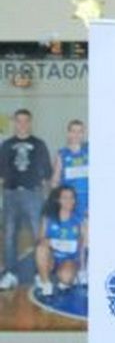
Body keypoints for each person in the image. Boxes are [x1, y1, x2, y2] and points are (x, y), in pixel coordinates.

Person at [1, 109, 54, 291]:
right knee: (9, 236)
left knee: (39, 235)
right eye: (19, 121)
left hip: (33, 195)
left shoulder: (39, 144)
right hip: (11, 195)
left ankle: (40, 274)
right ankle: (11, 274)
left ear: (30, 123)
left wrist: (46, 197)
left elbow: (47, 173)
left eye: (26, 121)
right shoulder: (6, 145)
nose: (22, 124)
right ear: (14, 123)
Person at [33, 184, 84, 297]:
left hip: (69, 259)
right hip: (52, 258)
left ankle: (53, 275)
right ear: (58, 200)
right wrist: (50, 245)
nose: (69, 201)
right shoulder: (48, 218)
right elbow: (41, 241)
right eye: (65, 197)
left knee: (66, 278)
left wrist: (52, 242)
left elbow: (77, 247)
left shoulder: (79, 220)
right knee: (40, 248)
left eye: (71, 197)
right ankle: (46, 284)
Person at [53, 118, 87, 218]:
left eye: (80, 131)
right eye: (73, 131)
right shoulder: (61, 154)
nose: (76, 135)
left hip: (87, 198)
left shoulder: (90, 151)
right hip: (68, 200)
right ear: (68, 133)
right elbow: (55, 179)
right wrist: (54, 201)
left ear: (83, 134)